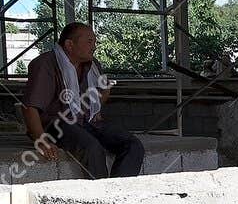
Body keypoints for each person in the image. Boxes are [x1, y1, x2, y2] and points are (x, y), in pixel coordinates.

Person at [20, 22, 145, 179]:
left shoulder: (93, 65)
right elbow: (29, 106)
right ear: (69, 45)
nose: (94, 46)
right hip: (57, 125)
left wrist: (105, 94)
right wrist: (40, 139)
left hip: (88, 122)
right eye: (89, 41)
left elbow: (95, 105)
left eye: (94, 42)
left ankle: (117, 191)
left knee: (133, 145)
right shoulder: (46, 64)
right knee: (92, 148)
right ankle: (101, 198)